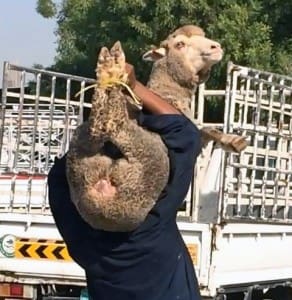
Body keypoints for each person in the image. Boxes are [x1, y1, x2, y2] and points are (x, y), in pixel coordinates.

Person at [48, 64, 202, 300]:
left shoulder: (86, 246)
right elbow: (186, 134)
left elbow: (62, 176)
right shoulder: (152, 229)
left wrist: (96, 133)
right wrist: (133, 85)